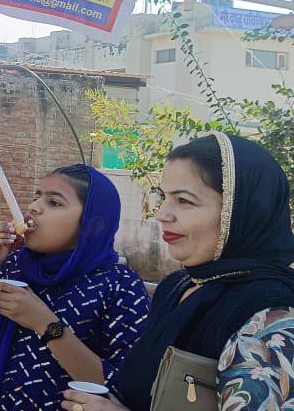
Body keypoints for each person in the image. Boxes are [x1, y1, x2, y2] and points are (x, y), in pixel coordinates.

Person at [63, 133, 294, 411]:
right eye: (164, 197)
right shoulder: (178, 286)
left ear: (242, 210)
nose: (162, 214)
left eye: (184, 201)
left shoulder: (271, 314)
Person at [0, 165, 150, 410]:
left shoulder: (120, 285)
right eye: (36, 197)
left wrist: (45, 324)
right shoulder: (16, 265)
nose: (34, 207)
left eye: (54, 202)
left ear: (93, 224)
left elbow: (124, 389)